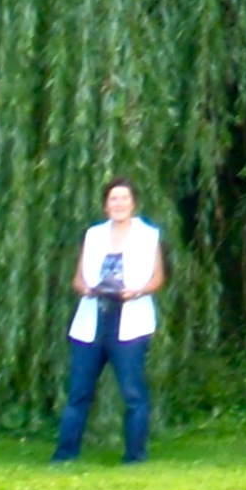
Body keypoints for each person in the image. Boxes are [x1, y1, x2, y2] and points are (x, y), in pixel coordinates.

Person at [54, 179, 165, 464]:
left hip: (130, 322)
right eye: (113, 199)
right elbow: (78, 278)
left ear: (133, 203)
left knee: (133, 393)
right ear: (106, 204)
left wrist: (136, 291)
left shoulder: (148, 235)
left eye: (124, 198)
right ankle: (65, 455)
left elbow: (158, 279)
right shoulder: (93, 235)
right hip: (93, 319)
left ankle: (135, 456)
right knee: (78, 392)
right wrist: (87, 290)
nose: (119, 204)